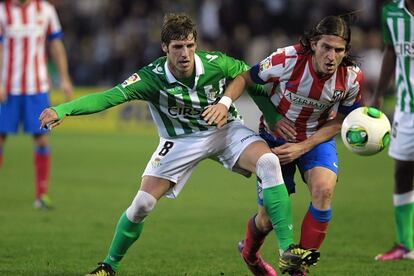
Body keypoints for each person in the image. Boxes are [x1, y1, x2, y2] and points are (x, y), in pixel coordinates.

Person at [38, 13, 319, 276]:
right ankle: (108, 266)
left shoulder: (216, 63)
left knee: (269, 162)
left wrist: (270, 117)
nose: (184, 54)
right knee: (142, 205)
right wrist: (63, 110)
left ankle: (287, 253)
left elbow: (251, 80)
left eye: (189, 45)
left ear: (196, 44)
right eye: (177, 47)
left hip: (224, 130)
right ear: (164, 47)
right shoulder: (150, 78)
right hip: (180, 140)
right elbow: (108, 97)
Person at [203, 15, 363, 276]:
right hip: (275, 141)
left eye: (339, 50)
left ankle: (298, 269)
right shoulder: (286, 59)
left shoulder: (352, 77)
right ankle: (250, 253)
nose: (332, 56)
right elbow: (246, 77)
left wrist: (304, 146)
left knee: (323, 191)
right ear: (313, 44)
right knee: (266, 220)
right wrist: (224, 103)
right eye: (326, 47)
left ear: (346, 51)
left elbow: (344, 118)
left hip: (315, 139)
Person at [0, 0, 72, 209]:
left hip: (37, 87)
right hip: (8, 88)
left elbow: (56, 45)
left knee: (41, 140)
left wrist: (64, 78)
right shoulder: (3, 11)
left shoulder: (46, 10)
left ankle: (41, 195)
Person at [370, 0, 414, 261]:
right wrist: (378, 95)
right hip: (406, 108)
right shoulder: (391, 12)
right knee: (403, 171)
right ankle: (405, 244)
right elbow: (391, 51)